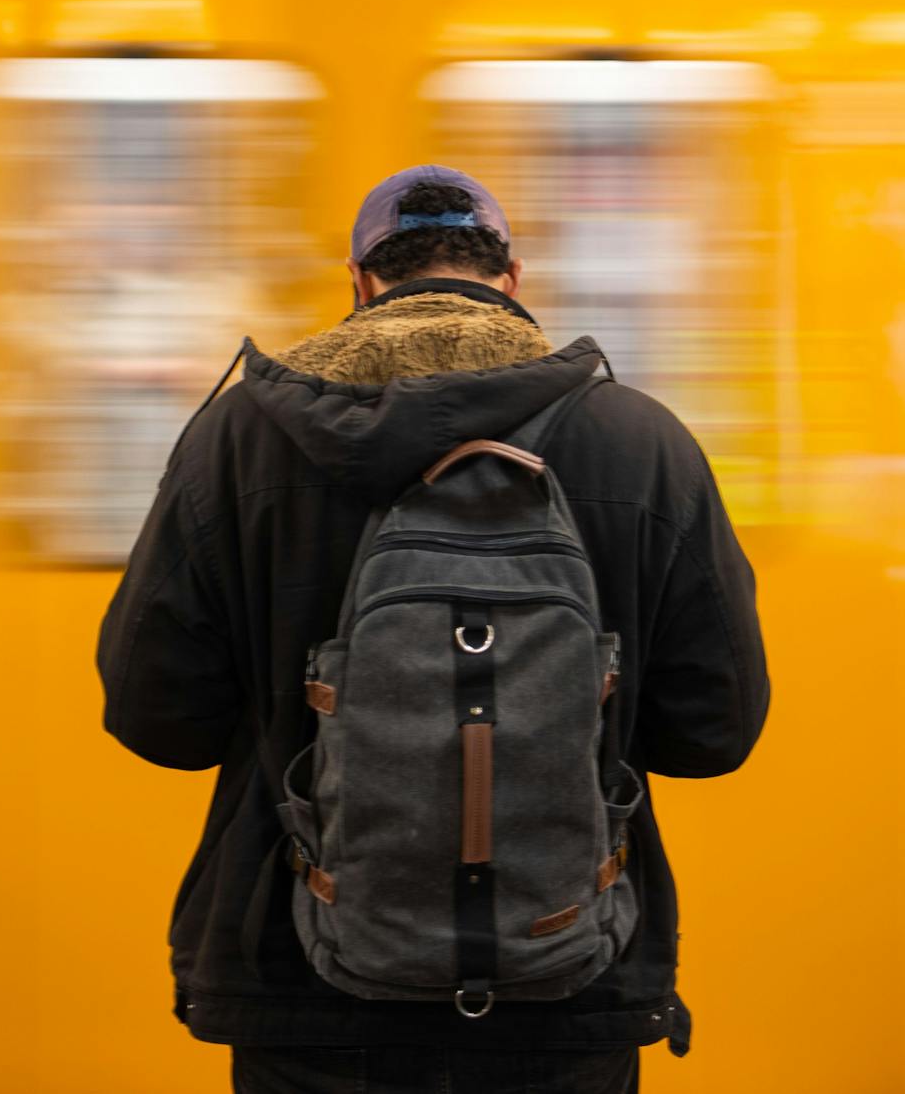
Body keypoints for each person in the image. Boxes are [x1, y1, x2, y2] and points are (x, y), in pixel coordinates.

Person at [96, 165, 769, 1093]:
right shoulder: (640, 442)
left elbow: (157, 719)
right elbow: (712, 733)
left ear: (360, 282)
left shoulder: (239, 437)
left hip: (306, 983)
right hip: (566, 979)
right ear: (514, 279)